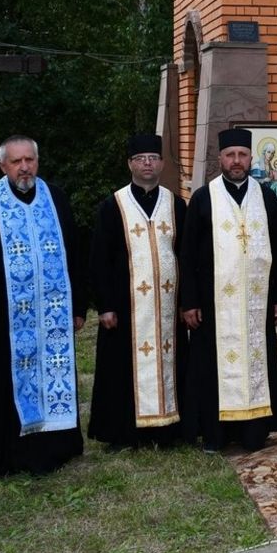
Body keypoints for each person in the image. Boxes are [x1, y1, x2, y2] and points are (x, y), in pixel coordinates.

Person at [0, 135, 87, 475]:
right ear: (3, 166)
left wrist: (79, 306)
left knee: (55, 374)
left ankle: (61, 446)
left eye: (29, 159)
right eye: (16, 161)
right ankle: (11, 456)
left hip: (54, 311)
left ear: (37, 161)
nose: (24, 167)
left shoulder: (55, 197)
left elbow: (74, 250)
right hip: (4, 314)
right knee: (7, 382)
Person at [180, 127, 277, 451]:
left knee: (257, 361)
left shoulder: (267, 195)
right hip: (214, 304)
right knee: (212, 365)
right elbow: (186, 254)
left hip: (256, 303)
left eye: (242, 154)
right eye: (231, 155)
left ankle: (255, 432)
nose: (237, 161)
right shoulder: (203, 197)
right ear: (220, 159)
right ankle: (216, 434)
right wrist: (190, 302)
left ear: (251, 158)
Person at [87, 134, 188, 448]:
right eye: (141, 158)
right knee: (121, 368)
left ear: (161, 163)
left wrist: (188, 302)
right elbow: (99, 259)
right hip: (125, 307)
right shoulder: (113, 205)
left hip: (169, 307)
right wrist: (105, 305)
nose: (148, 164)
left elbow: (186, 254)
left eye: (153, 158)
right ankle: (124, 433)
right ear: (130, 163)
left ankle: (170, 429)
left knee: (173, 365)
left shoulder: (175, 204)